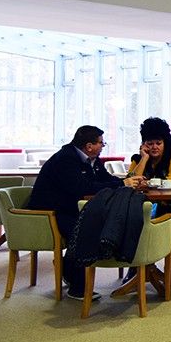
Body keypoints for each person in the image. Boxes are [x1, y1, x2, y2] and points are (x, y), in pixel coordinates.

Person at [27, 125, 144, 300]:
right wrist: (121, 184)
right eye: (101, 143)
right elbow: (81, 188)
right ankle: (77, 286)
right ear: (89, 146)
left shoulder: (93, 159)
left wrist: (126, 182)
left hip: (71, 208)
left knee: (102, 221)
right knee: (86, 229)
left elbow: (106, 179)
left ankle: (68, 268)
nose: (103, 146)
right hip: (50, 212)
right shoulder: (66, 159)